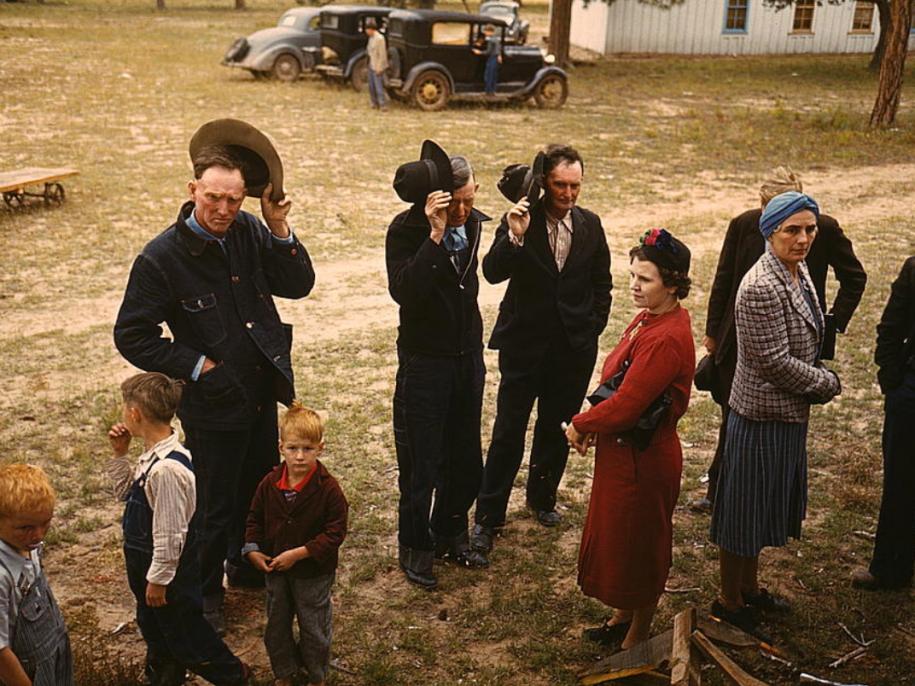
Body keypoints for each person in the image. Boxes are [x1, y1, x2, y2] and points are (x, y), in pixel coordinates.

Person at [114, 118, 316, 633]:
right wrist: (198, 366)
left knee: (255, 490)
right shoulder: (161, 257)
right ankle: (203, 596)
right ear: (193, 191)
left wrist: (276, 225)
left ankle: (242, 571)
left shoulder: (249, 228)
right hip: (211, 403)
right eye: (214, 199)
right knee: (210, 506)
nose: (224, 210)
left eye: (235, 200)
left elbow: (298, 283)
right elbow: (131, 335)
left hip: (258, 391)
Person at [692, 166, 866, 514]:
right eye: (771, 208)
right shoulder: (744, 224)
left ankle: (773, 498)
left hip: (792, 339)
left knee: (784, 417)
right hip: (738, 338)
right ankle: (719, 488)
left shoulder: (822, 230)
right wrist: (713, 333)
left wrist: (829, 328)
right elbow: (723, 279)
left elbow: (854, 278)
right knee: (734, 414)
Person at [709, 191, 842, 636]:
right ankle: (729, 600)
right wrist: (825, 383)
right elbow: (772, 362)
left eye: (809, 229)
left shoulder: (796, 269)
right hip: (760, 415)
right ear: (771, 232)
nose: (803, 239)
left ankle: (749, 588)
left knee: (760, 508)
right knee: (741, 512)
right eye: (792, 230)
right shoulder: (762, 285)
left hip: (785, 414)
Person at [472, 144, 612, 554]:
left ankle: (542, 497)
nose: (568, 194)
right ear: (543, 184)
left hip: (572, 349)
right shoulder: (521, 219)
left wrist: (592, 328)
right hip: (524, 345)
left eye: (575, 186)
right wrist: (514, 236)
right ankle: (488, 517)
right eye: (559, 185)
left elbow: (601, 282)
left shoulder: (590, 224)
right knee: (508, 431)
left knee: (556, 427)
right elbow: (493, 272)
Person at [565, 228, 695, 651]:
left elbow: (627, 405)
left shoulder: (667, 336)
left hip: (645, 459)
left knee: (641, 546)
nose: (635, 286)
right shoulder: (650, 318)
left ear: (672, 283)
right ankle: (623, 616)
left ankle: (638, 633)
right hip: (622, 453)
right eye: (633, 276)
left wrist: (582, 424)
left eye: (646, 279)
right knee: (620, 539)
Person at [385, 140, 491, 589]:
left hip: (467, 358)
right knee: (421, 461)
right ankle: (416, 547)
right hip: (425, 361)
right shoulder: (404, 231)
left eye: (471, 199)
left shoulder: (475, 226)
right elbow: (405, 291)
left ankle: (452, 532)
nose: (466, 210)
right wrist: (433, 236)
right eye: (458, 202)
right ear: (438, 199)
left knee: (465, 456)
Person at [107, 373, 251, 686]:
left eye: (124, 408)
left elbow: (170, 535)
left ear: (135, 414)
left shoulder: (168, 469)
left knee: (189, 639)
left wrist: (158, 580)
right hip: (149, 573)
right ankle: (164, 677)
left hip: (167, 577)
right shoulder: (151, 458)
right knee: (158, 635)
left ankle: (235, 676)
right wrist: (120, 454)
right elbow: (123, 494)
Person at [243, 403, 348, 686]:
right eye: (292, 448)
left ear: (320, 448)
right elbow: (254, 518)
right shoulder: (269, 483)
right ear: (281, 447)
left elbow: (335, 533)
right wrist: (252, 548)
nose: (300, 456)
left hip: (313, 572)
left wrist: (300, 554)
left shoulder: (328, 489)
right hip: (276, 570)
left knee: (313, 626)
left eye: (308, 449)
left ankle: (316, 675)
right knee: (276, 624)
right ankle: (285, 672)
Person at [851, 255, 915, 591]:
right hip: (910, 393)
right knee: (901, 482)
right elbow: (890, 327)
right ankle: (890, 567)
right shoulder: (914, 268)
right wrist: (892, 380)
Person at [0, 464, 73, 686]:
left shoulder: (26, 544)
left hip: (52, 655)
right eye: (25, 528)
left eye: (46, 523)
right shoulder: (2, 576)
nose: (39, 535)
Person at [365, 19, 388, 110]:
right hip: (371, 63)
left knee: (378, 86)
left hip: (377, 65)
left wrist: (380, 67)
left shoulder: (380, 39)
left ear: (371, 29)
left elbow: (382, 54)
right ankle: (374, 102)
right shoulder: (371, 38)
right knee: (371, 85)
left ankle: (382, 103)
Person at [472, 24, 501, 96]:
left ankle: (488, 91)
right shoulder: (496, 39)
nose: (485, 33)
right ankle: (492, 90)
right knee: (493, 75)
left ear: (490, 31)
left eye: (486, 31)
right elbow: (498, 49)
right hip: (495, 58)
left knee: (488, 75)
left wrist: (479, 52)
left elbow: (488, 51)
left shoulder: (491, 40)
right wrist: (499, 55)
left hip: (491, 58)